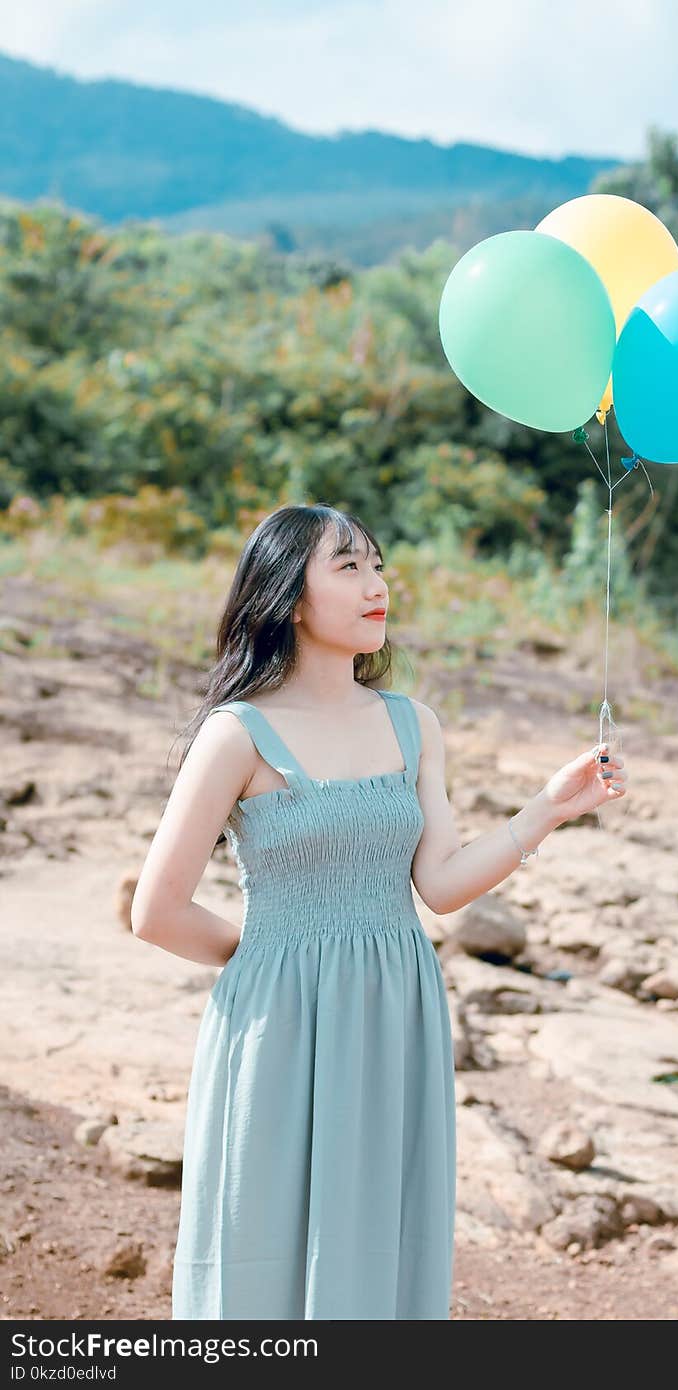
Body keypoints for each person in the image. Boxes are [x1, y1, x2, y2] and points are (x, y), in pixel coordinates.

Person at [130, 502, 627, 1321]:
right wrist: (270, 961)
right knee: (261, 1232)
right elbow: (157, 910)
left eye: (378, 566)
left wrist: (546, 809)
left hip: (396, 1009)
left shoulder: (411, 723)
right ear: (290, 597)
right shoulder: (237, 735)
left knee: (377, 1238)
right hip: (275, 1023)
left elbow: (440, 882)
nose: (377, 586)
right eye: (349, 567)